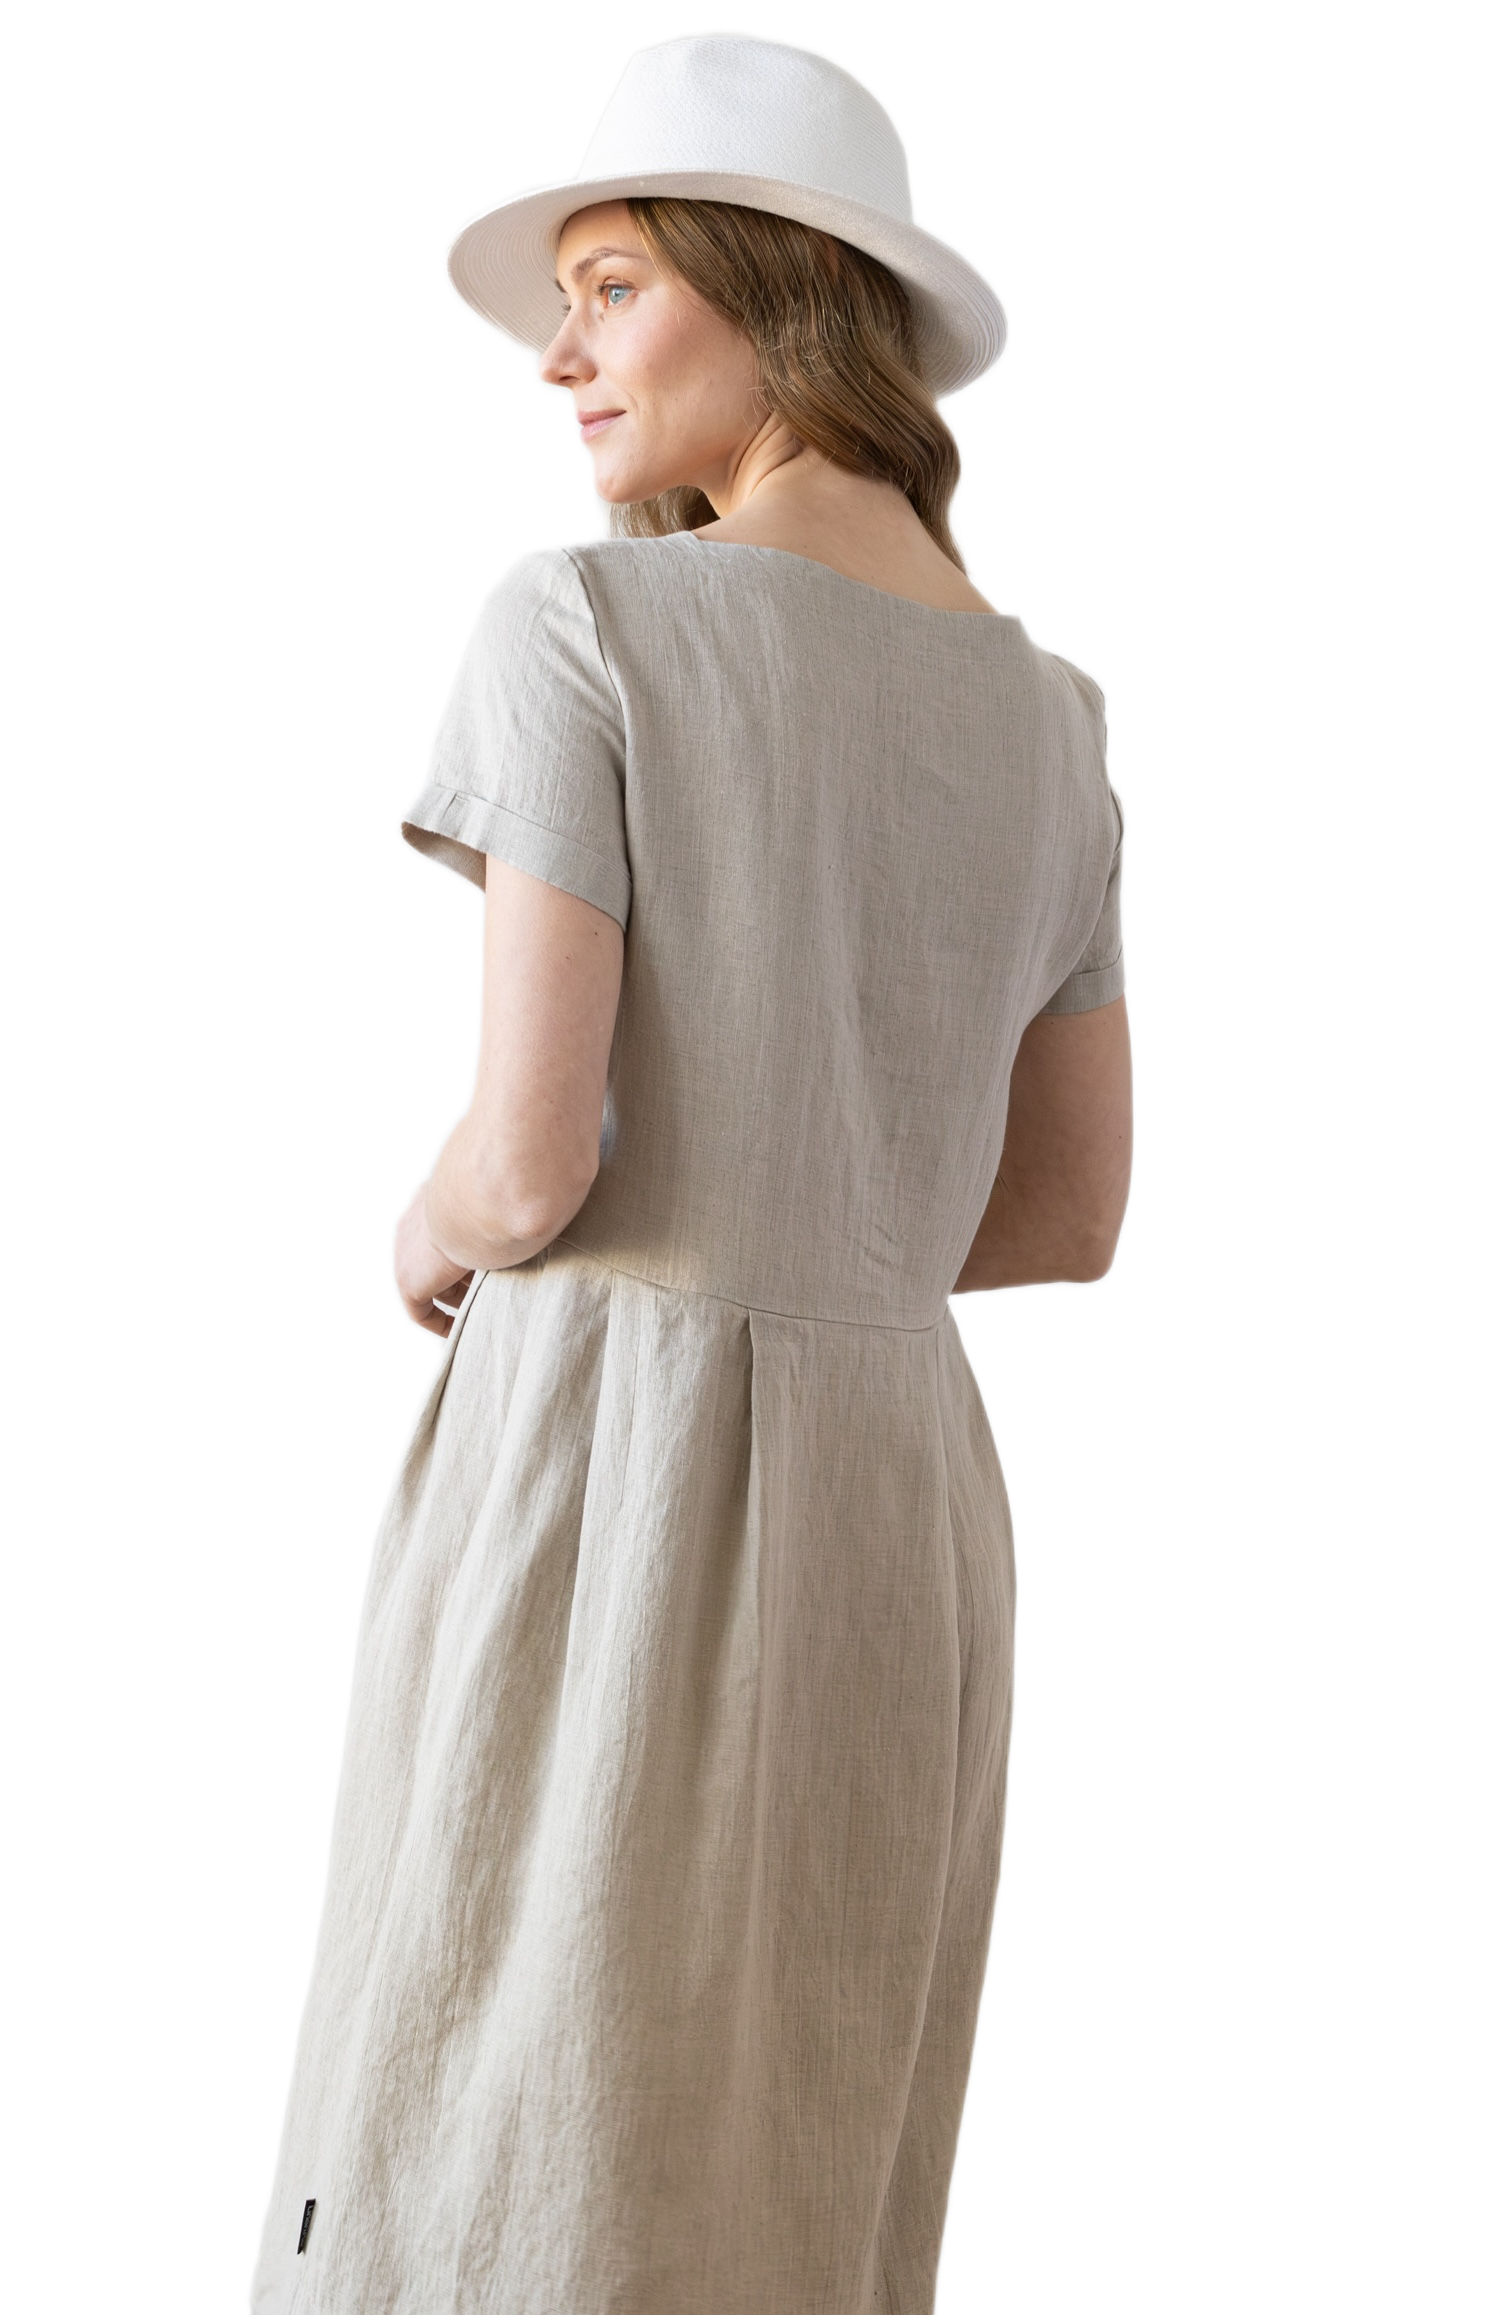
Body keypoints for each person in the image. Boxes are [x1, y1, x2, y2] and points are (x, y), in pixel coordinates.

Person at [248, 29, 1132, 2315]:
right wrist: (833, 1208)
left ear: (782, 290)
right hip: (896, 1506)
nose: (559, 358)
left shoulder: (583, 620)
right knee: (794, 2178)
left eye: (613, 287)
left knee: (494, 2144)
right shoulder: (1056, 722)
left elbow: (527, 1152)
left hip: (607, 1467)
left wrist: (419, 1224)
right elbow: (1067, 1216)